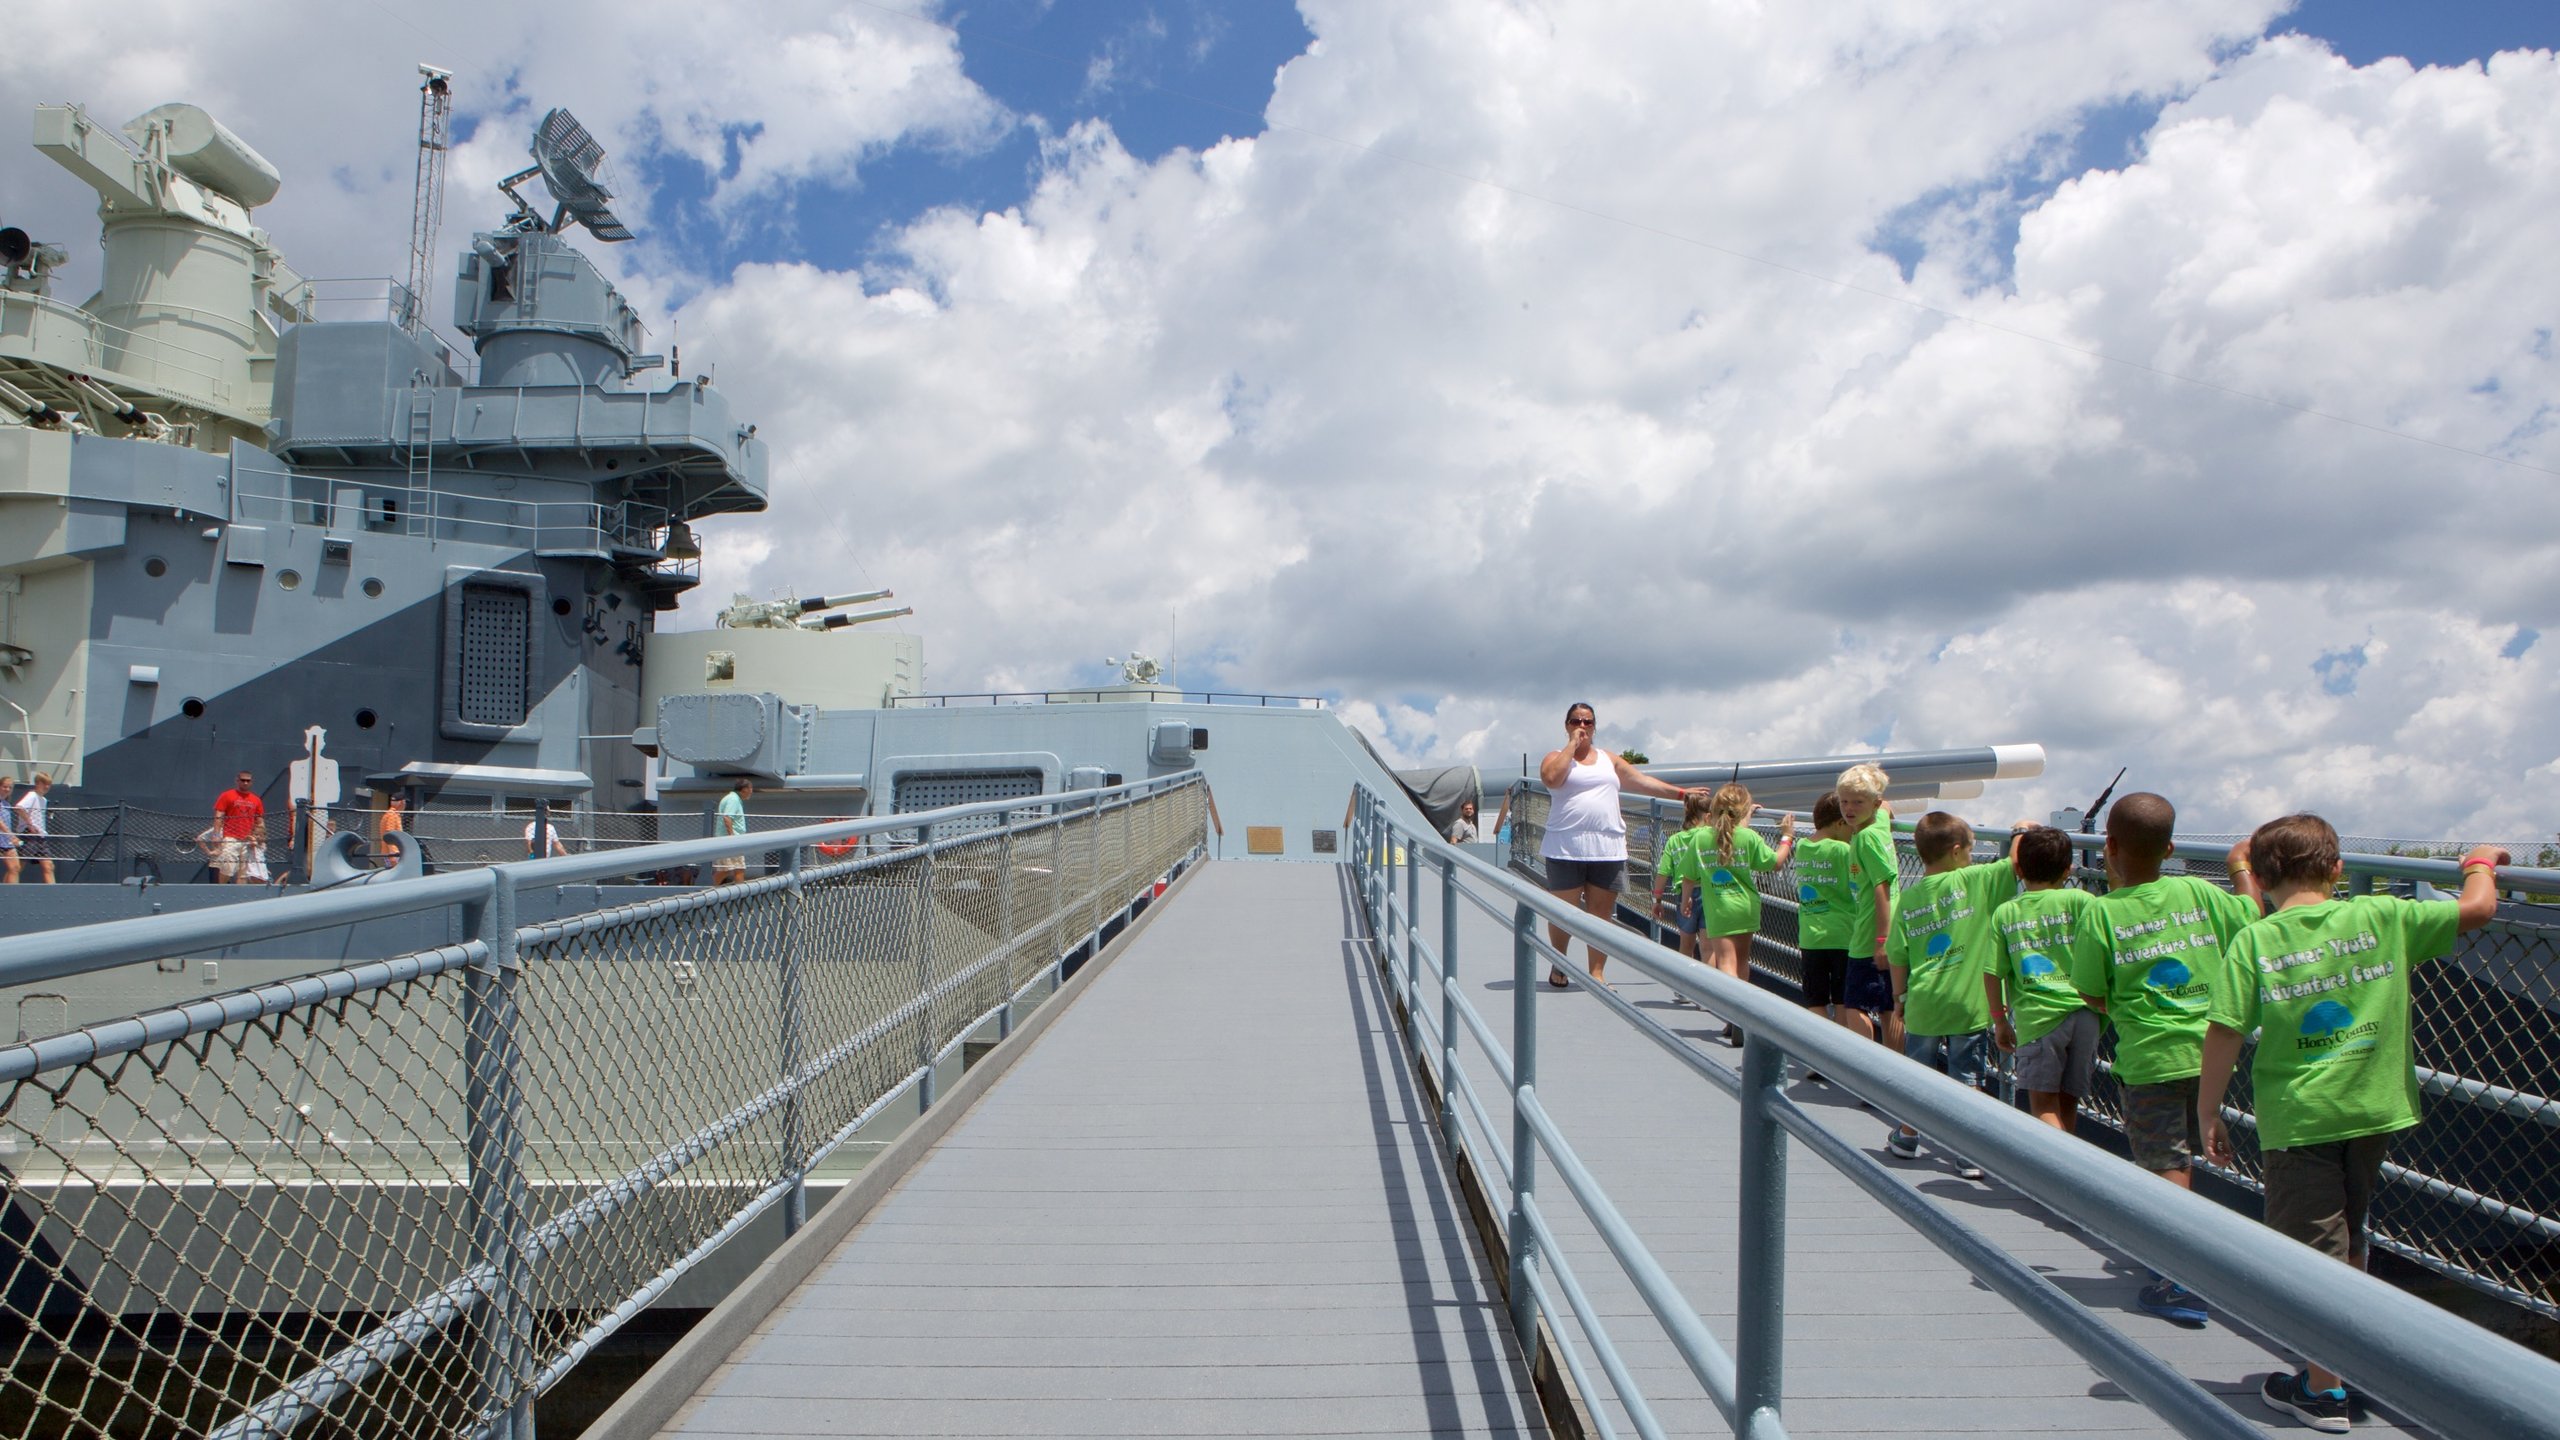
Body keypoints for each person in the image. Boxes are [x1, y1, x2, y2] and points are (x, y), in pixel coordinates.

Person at [2200, 817, 2507, 1433]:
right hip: (2373, 1108)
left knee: (2310, 1256)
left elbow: (2226, 1028)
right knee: (2350, 1234)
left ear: (2260, 880)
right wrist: (2480, 863)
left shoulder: (2256, 940)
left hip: (2300, 1118)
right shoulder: (2383, 917)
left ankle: (2323, 1392)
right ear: (2338, 870)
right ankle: (2345, 1360)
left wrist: (2209, 1110)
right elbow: (2478, 910)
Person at [2067, 791, 2258, 1327]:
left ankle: (2180, 1279)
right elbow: (2252, 914)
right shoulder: (2201, 893)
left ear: (2108, 847)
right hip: (2212, 1056)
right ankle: (2189, 1258)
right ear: (2171, 848)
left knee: (2166, 1165)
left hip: (2149, 1060)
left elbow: (2089, 990)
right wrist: (2240, 865)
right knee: (2192, 1158)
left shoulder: (2102, 913)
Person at [1882, 812, 2018, 1180]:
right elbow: (2018, 860)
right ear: (1957, 851)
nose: (1973, 857)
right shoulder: (1976, 879)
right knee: (1968, 1078)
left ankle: (1908, 1135)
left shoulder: (1909, 899)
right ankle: (1967, 1152)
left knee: (1918, 1073)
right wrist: (2020, 828)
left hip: (1923, 1001)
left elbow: (1897, 954)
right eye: (1971, 850)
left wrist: (1899, 997)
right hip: (1968, 1004)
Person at [1538, 703, 1691, 988]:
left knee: (1601, 916)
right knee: (1562, 914)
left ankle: (1596, 972)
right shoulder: (1556, 757)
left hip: (1607, 848)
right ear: (1567, 725)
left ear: (1595, 725)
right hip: (1565, 847)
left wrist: (1681, 794)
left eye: (1587, 721)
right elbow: (1551, 779)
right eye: (1575, 721)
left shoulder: (1608, 759)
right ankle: (1559, 962)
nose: (1582, 726)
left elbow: (1641, 781)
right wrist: (1572, 746)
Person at [1985, 826, 2105, 1134]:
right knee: (2068, 1102)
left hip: (2039, 1018)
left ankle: (2058, 1173)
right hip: (2087, 1012)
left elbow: (1992, 971)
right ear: (2068, 870)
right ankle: (2071, 1173)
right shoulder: (2084, 902)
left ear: (2020, 869)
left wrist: (1999, 1020)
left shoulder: (2006, 912)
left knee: (2043, 1106)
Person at [1697, 783, 1795, 1047]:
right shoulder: (1749, 837)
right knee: (1742, 962)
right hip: (1746, 906)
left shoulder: (1701, 837)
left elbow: (1693, 871)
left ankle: (1733, 1016)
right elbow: (1774, 863)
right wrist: (1786, 836)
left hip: (1718, 907)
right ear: (1743, 812)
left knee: (1725, 963)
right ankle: (1740, 1016)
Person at [1835, 763, 1902, 1054]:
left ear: (1872, 803)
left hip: (1869, 936)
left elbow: (1881, 886)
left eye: (1857, 802)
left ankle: (1866, 1068)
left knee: (1853, 1005)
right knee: (1889, 1006)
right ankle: (1897, 1074)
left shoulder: (1865, 838)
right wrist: (1881, 807)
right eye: (1844, 801)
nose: (1848, 809)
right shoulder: (1878, 824)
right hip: (1892, 930)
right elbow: (1886, 809)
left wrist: (1881, 940)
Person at [1791, 793, 1866, 1046]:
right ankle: (1840, 1049)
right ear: (1840, 823)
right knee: (1843, 998)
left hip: (1811, 936)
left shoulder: (1802, 846)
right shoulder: (1844, 850)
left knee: (1816, 999)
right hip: (1844, 935)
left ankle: (1819, 1054)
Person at [1649, 790, 1715, 967]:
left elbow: (1663, 872)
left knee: (1686, 945)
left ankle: (1683, 989)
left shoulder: (1675, 840)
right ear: (1709, 815)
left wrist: (1658, 899)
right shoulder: (1711, 836)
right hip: (1711, 893)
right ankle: (1709, 990)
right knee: (1708, 948)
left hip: (1685, 897)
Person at [212, 770, 266, 885]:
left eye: (248, 781)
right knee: (228, 867)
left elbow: (260, 822)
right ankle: (221, 888)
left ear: (251, 782)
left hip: (247, 839)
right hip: (231, 838)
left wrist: (260, 838)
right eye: (243, 780)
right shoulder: (227, 795)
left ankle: (240, 894)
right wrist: (216, 835)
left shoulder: (256, 800)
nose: (245, 783)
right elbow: (219, 815)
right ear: (237, 781)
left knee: (244, 873)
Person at [13, 773, 56, 883]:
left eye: (49, 784)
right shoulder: (32, 795)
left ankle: (53, 894)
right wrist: (30, 824)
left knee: (48, 866)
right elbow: (19, 807)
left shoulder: (44, 800)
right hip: (29, 834)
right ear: (38, 783)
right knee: (19, 866)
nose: (47, 787)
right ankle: (9, 888)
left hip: (41, 836)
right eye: (44, 784)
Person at [711, 777, 753, 885]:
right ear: (744, 789)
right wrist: (732, 837)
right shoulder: (733, 799)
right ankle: (739, 895)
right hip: (730, 840)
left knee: (730, 869)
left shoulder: (732, 798)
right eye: (750, 789)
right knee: (734, 869)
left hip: (727, 839)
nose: (751, 792)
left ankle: (709, 888)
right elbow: (727, 817)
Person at [376, 792, 406, 862]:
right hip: (392, 853)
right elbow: (389, 834)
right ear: (402, 802)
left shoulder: (391, 814)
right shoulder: (392, 815)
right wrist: (394, 853)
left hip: (390, 852)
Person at [0, 791, 18, 883]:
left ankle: (10, 893)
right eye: (4, 787)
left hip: (6, 842)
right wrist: (11, 835)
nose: (7, 789)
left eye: (10, 787)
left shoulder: (6, 804)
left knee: (15, 867)